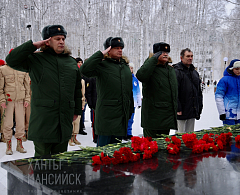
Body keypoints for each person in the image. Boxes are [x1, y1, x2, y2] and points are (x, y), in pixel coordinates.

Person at [5, 25, 82, 156]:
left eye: (63, 38)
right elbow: (11, 60)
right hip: (44, 120)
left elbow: (76, 89)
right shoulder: (36, 59)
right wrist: (34, 45)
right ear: (47, 40)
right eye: (57, 39)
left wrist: (76, 110)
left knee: (61, 160)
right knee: (42, 163)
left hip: (64, 120)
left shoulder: (70, 62)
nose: (62, 41)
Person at [80, 37, 134, 147]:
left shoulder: (124, 67)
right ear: (108, 50)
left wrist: (129, 109)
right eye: (116, 48)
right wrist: (100, 54)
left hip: (121, 116)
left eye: (121, 48)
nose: (120, 50)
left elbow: (129, 91)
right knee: (103, 152)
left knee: (117, 151)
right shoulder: (102, 65)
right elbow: (84, 70)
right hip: (106, 116)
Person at [136, 42, 178, 138]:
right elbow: (141, 75)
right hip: (152, 120)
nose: (166, 54)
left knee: (162, 149)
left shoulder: (170, 70)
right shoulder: (150, 68)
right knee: (150, 149)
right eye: (162, 52)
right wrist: (153, 60)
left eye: (167, 52)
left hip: (166, 118)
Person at [0, 57, 30, 155]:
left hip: (20, 101)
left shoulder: (23, 69)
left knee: (20, 123)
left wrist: (27, 99)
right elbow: (0, 87)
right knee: (8, 123)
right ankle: (8, 145)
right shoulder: (3, 69)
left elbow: (27, 86)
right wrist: (2, 100)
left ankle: (19, 144)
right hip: (8, 101)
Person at [174, 48, 203, 133]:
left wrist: (199, 106)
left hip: (192, 109)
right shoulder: (177, 71)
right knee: (180, 135)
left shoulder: (194, 72)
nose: (190, 58)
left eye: (191, 56)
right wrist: (178, 108)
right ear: (181, 58)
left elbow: (198, 91)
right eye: (188, 56)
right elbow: (175, 92)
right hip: (181, 110)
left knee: (190, 136)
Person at [215, 59, 240, 125]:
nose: (239, 71)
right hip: (229, 114)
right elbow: (219, 96)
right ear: (232, 69)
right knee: (229, 134)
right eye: (236, 69)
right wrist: (222, 112)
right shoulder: (225, 80)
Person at [69, 58, 86, 146]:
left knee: (77, 121)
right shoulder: (69, 79)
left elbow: (83, 94)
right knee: (71, 121)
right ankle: (70, 138)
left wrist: (83, 104)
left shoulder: (82, 81)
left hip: (79, 102)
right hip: (71, 102)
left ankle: (75, 137)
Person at [124, 63, 141, 140]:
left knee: (131, 119)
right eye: (129, 68)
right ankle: (123, 133)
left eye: (132, 68)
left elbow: (137, 91)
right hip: (125, 102)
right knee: (125, 118)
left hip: (133, 102)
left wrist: (138, 102)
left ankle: (129, 133)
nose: (131, 70)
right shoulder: (124, 78)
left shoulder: (135, 79)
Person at [76, 57, 87, 135]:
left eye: (81, 62)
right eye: (78, 62)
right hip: (76, 95)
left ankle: (81, 126)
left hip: (83, 95)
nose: (80, 63)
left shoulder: (83, 73)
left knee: (82, 112)